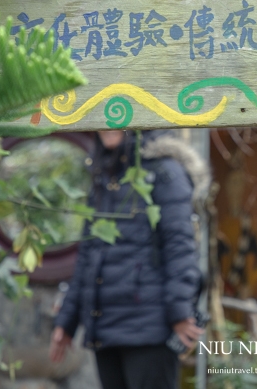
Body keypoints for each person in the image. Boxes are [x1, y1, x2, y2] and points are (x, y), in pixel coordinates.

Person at [49, 129, 206, 389]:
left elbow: (180, 247)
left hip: (150, 329)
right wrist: (66, 322)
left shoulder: (164, 171)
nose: (108, 126)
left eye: (118, 117)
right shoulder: (105, 174)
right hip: (106, 328)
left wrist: (180, 313)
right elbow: (88, 253)